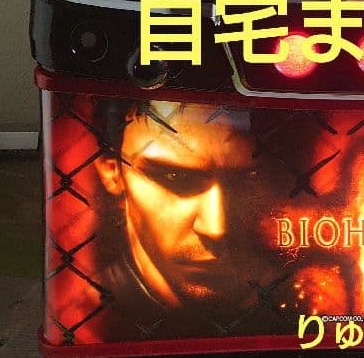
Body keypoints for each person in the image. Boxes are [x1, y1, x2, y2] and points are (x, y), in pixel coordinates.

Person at [94, 99, 267, 337]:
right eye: (176, 177)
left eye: (244, 181)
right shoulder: (87, 314)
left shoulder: (285, 293)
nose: (216, 228)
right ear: (113, 172)